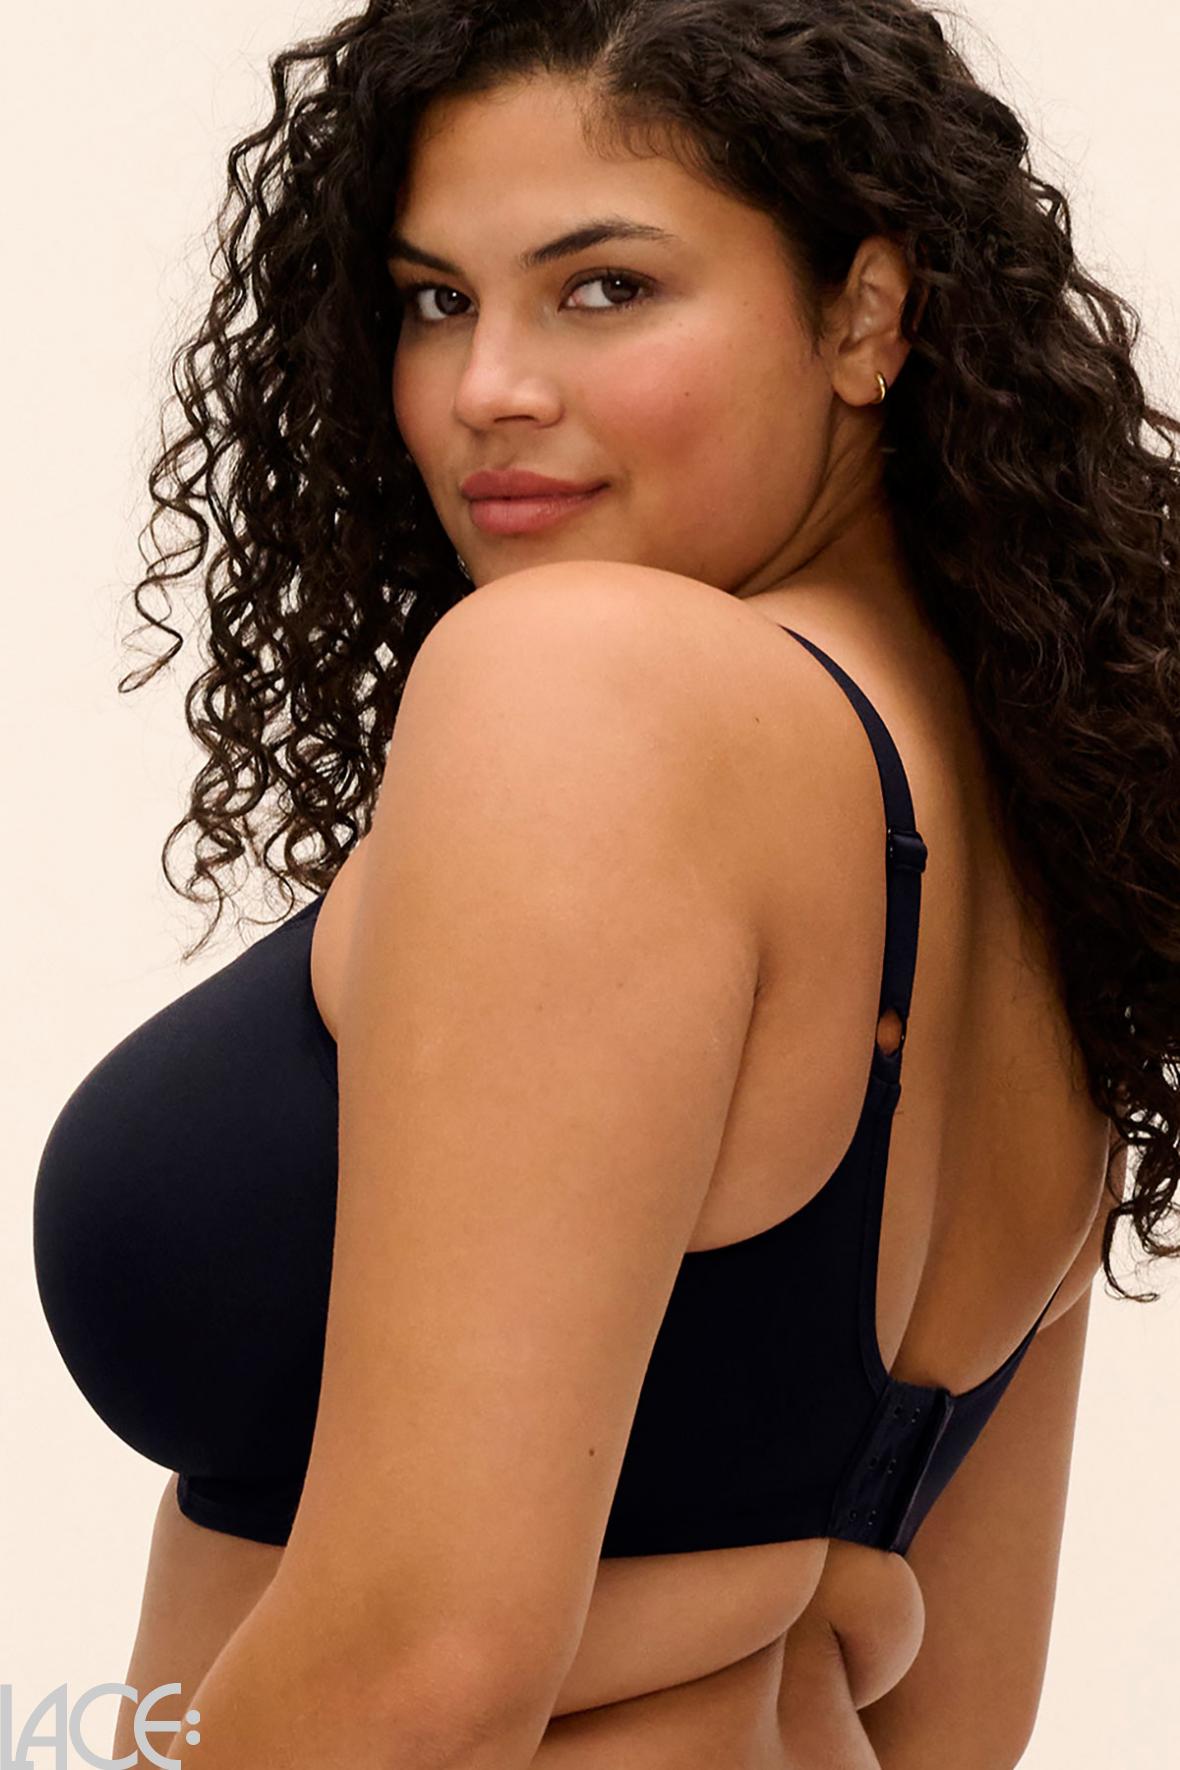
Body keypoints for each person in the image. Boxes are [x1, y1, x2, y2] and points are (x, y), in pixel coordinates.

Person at [31, 2, 1178, 1766]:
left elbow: (424, 1668)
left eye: (604, 287)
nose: (487, 385)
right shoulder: (1049, 818)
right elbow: (957, 1710)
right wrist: (770, 1609)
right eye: (437, 300)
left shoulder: (587, 686)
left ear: (865, 316)